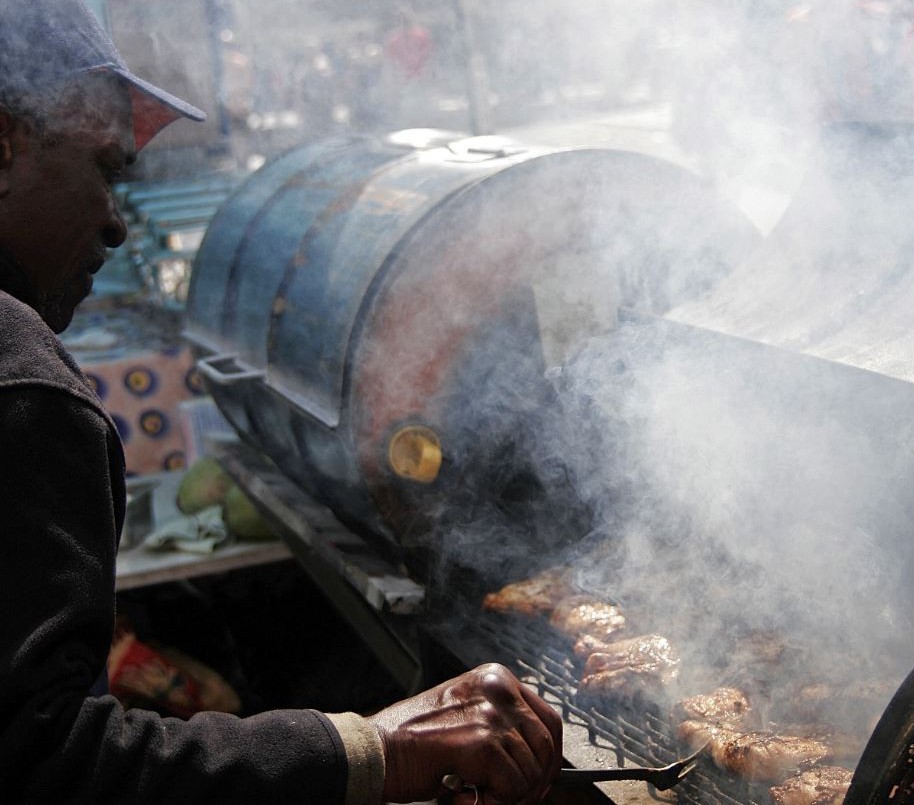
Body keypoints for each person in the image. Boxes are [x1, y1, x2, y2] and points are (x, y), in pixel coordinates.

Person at [0, 2, 562, 804]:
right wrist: (373, 748)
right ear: (4, 143)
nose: (115, 223)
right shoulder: (23, 388)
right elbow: (44, 761)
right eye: (105, 172)